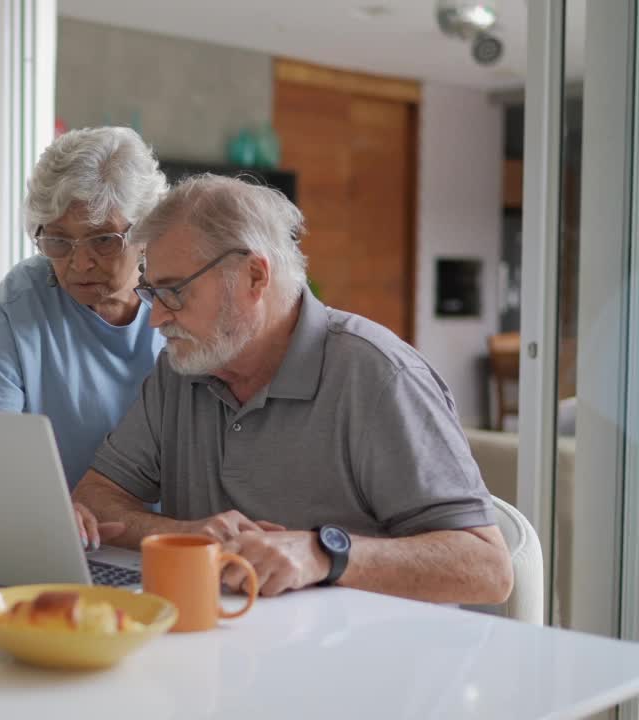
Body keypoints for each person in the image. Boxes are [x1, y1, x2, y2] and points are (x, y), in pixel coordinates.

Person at [71, 174, 513, 605]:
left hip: (366, 664)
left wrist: (325, 554)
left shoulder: (380, 377)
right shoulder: (181, 370)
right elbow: (94, 499)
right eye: (152, 292)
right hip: (224, 652)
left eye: (174, 292)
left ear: (254, 277)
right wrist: (183, 536)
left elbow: (487, 568)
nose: (155, 319)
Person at [0, 127, 167, 509]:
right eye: (58, 241)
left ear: (146, 231)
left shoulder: (179, 297)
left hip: (168, 540)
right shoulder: (18, 305)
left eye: (103, 239)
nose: (79, 262)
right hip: (57, 532)